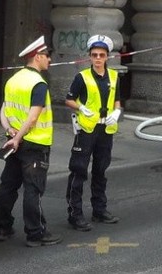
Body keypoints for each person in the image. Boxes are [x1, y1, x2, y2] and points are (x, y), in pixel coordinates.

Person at [0, 36, 61, 247]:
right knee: (33, 189)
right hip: (34, 144)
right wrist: (19, 137)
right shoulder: (39, 84)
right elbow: (33, 118)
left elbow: (3, 111)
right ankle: (35, 233)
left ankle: (3, 228)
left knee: (8, 186)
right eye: (47, 56)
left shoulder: (13, 80)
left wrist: (10, 133)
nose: (49, 60)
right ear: (38, 56)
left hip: (14, 143)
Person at [65, 34, 122, 231]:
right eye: (94, 55)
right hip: (87, 130)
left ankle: (99, 210)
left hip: (106, 128)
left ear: (107, 57)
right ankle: (75, 214)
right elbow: (69, 99)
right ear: (89, 56)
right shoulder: (82, 77)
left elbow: (117, 99)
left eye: (102, 55)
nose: (98, 58)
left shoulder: (114, 76)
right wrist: (80, 108)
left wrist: (117, 111)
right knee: (79, 170)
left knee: (100, 170)